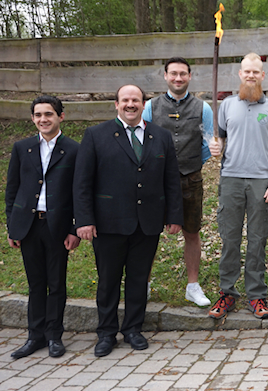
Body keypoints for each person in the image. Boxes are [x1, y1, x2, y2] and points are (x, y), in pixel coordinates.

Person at [74, 84, 183, 357]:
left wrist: (174, 216)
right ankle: (106, 333)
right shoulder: (96, 135)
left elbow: (171, 180)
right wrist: (84, 220)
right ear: (116, 104)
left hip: (147, 223)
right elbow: (82, 183)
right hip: (108, 223)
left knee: (137, 279)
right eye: (125, 100)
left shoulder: (161, 137)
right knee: (108, 280)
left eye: (135, 100)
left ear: (144, 104)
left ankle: (133, 329)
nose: (130, 104)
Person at [207, 53, 268, 320]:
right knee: (229, 239)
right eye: (247, 71)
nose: (251, 75)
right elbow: (217, 141)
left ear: (263, 76)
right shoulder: (227, 105)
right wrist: (215, 147)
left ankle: (256, 296)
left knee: (257, 240)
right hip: (230, 179)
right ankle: (227, 294)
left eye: (256, 71)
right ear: (240, 74)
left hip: (260, 181)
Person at [5, 96, 80, 359]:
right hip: (28, 226)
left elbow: (79, 192)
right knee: (36, 283)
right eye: (38, 115)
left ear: (61, 116)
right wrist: (12, 227)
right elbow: (12, 191)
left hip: (56, 226)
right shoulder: (22, 148)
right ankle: (34, 336)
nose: (43, 119)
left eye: (48, 114)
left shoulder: (73, 149)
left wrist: (74, 228)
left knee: (56, 283)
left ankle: (54, 336)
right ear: (33, 118)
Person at [142, 57, 213, 307]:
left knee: (192, 232)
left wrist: (192, 163)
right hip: (155, 182)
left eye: (183, 74)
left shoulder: (203, 108)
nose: (178, 78)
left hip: (190, 180)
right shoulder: (150, 107)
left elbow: (209, 143)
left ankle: (192, 286)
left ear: (190, 77)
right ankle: (144, 284)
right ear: (165, 76)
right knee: (148, 233)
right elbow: (143, 141)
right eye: (173, 74)